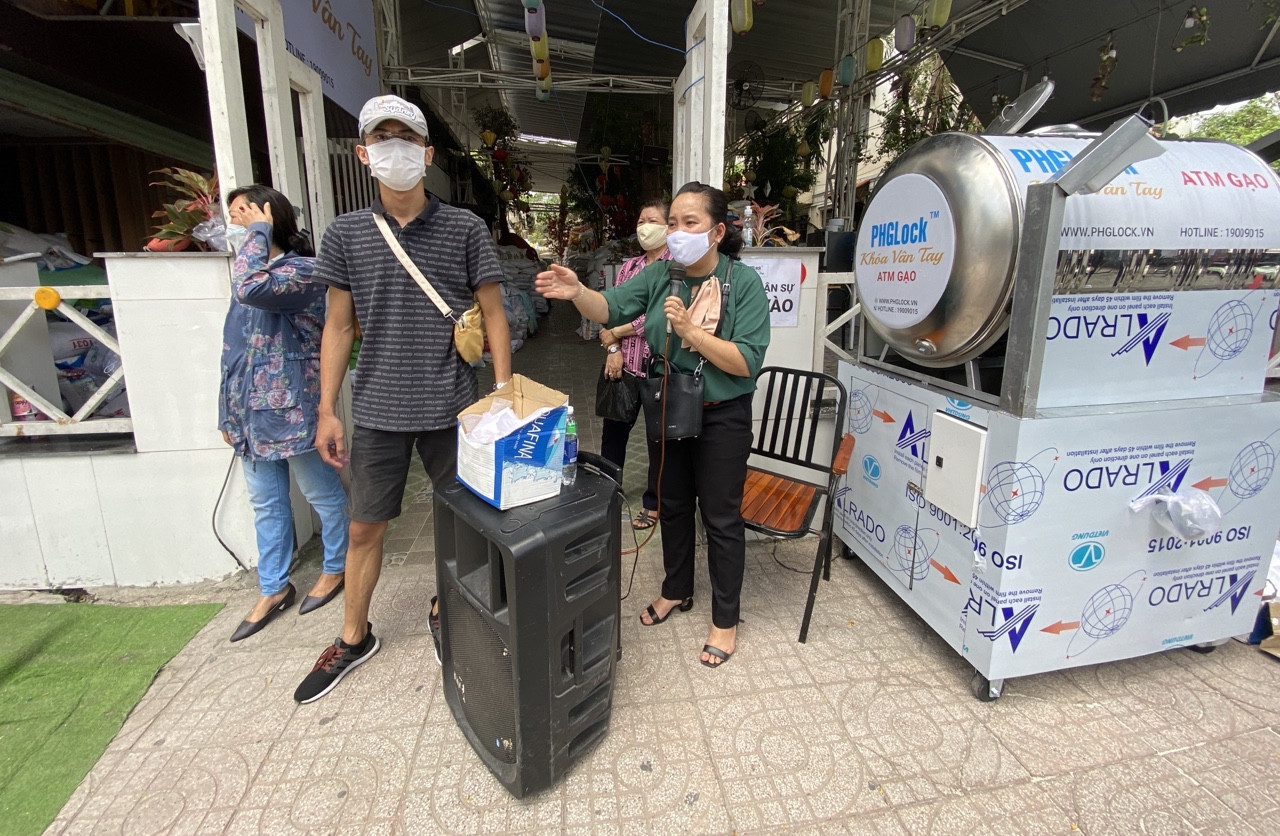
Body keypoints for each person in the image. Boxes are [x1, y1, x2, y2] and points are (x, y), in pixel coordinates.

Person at [294, 94, 512, 703]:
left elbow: (494, 315)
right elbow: (339, 327)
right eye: (382, 138)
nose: (396, 148)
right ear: (364, 154)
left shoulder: (465, 228)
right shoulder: (345, 234)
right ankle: (354, 636)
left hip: (451, 404)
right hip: (379, 407)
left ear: (427, 153)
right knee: (365, 527)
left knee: (462, 522)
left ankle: (448, 607)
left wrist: (502, 392)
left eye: (407, 138)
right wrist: (327, 410)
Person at [535, 182, 770, 668]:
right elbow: (611, 307)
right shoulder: (662, 274)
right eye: (673, 223)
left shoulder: (743, 283)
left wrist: (689, 333)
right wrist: (579, 293)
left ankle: (725, 619)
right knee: (674, 505)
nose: (677, 232)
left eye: (690, 223)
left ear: (717, 231)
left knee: (721, 518)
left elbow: (746, 362)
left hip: (722, 414)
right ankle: (676, 588)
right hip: (669, 405)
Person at [219, 184, 349, 643]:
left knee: (321, 493)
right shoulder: (251, 270)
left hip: (292, 409)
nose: (235, 221)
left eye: (243, 212)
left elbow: (251, 289)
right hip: (249, 415)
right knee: (266, 504)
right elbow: (234, 351)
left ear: (268, 216)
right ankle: (273, 587)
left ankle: (338, 565)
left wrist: (258, 231)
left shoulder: (302, 271)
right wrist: (227, 412)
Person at [599, 198, 669, 531]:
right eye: (641, 221)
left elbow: (656, 317)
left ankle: (653, 503)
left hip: (658, 368)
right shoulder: (630, 266)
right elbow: (612, 308)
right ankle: (607, 495)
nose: (644, 227)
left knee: (658, 440)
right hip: (623, 365)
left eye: (652, 221)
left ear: (668, 227)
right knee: (612, 434)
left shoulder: (676, 268)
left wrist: (617, 330)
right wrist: (612, 346)